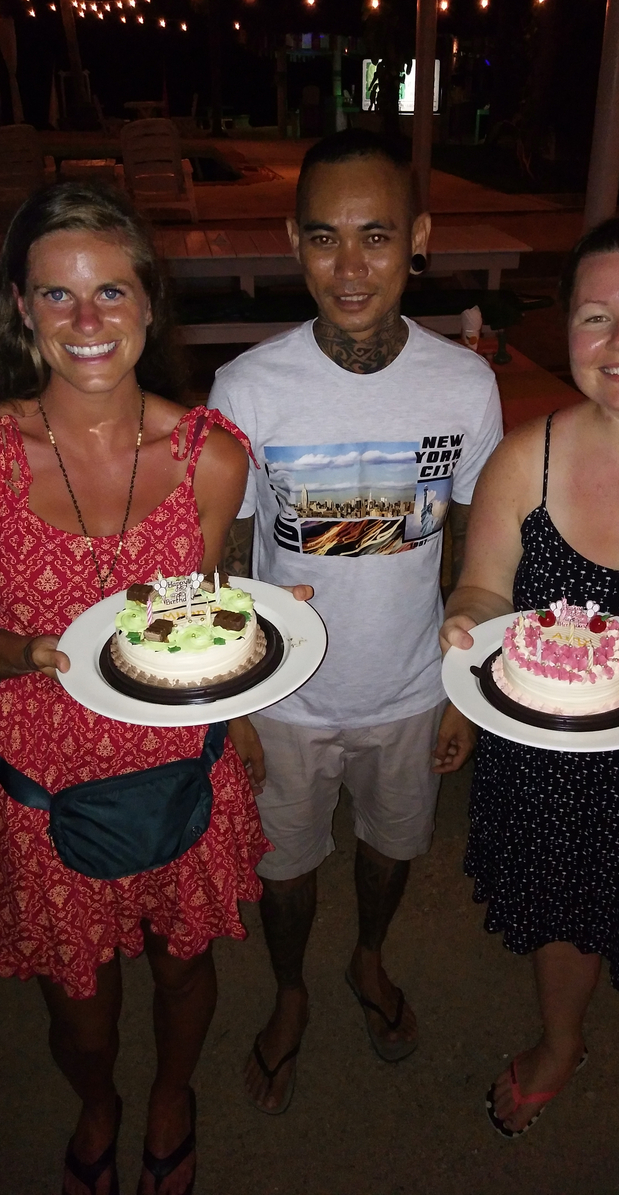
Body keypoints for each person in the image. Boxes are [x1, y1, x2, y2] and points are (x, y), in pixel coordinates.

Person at [0, 182, 305, 1195]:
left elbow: (198, 612)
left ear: (149, 304)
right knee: (77, 1006)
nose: (88, 322)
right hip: (43, 783)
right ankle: (99, 1100)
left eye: (112, 292)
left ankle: (172, 1090)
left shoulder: (209, 455)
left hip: (182, 764)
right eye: (57, 296)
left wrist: (248, 671)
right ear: (19, 308)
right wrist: (17, 652)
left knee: (182, 963)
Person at [209, 128, 503, 1114]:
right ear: (294, 239)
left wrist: (461, 687)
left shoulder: (465, 385)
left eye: (376, 235)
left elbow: (469, 547)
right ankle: (291, 989)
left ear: (417, 236)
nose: (349, 266)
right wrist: (234, 704)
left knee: (392, 848)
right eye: (325, 237)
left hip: (411, 688)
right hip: (286, 698)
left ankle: (369, 959)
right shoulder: (249, 387)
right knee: (286, 865)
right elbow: (226, 553)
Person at [441, 215, 619, 1195]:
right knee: (561, 929)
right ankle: (559, 1046)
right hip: (551, 754)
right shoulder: (528, 458)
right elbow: (480, 589)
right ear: (566, 331)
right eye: (596, 317)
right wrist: (465, 624)